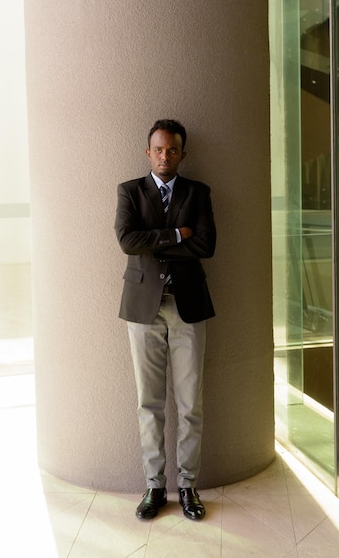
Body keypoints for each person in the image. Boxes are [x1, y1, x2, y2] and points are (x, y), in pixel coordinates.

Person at [115, 119, 216, 521]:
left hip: (187, 305)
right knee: (149, 401)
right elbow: (126, 241)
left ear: (182, 154)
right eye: (157, 150)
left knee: (191, 402)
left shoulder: (198, 192)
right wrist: (176, 235)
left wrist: (152, 241)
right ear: (148, 152)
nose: (164, 156)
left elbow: (207, 245)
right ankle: (155, 487)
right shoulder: (130, 191)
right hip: (143, 308)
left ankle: (188, 485)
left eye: (172, 150)